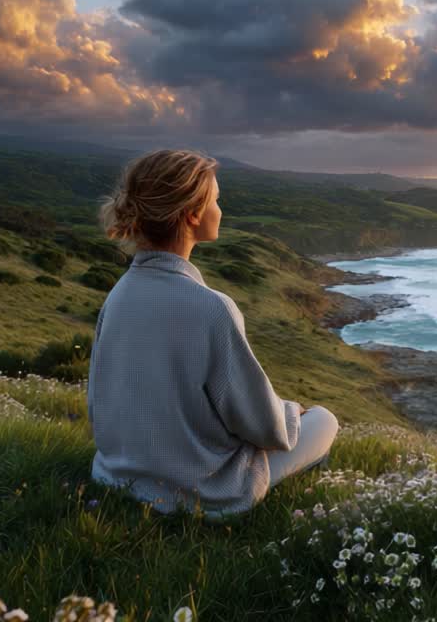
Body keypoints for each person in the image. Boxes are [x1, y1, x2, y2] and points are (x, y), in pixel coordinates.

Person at [87, 148, 339, 520]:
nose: (220, 209)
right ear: (192, 214)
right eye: (216, 200)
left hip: (116, 475)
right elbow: (263, 428)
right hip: (197, 492)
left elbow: (98, 403)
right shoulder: (212, 307)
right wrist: (292, 413)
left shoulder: (118, 294)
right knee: (324, 420)